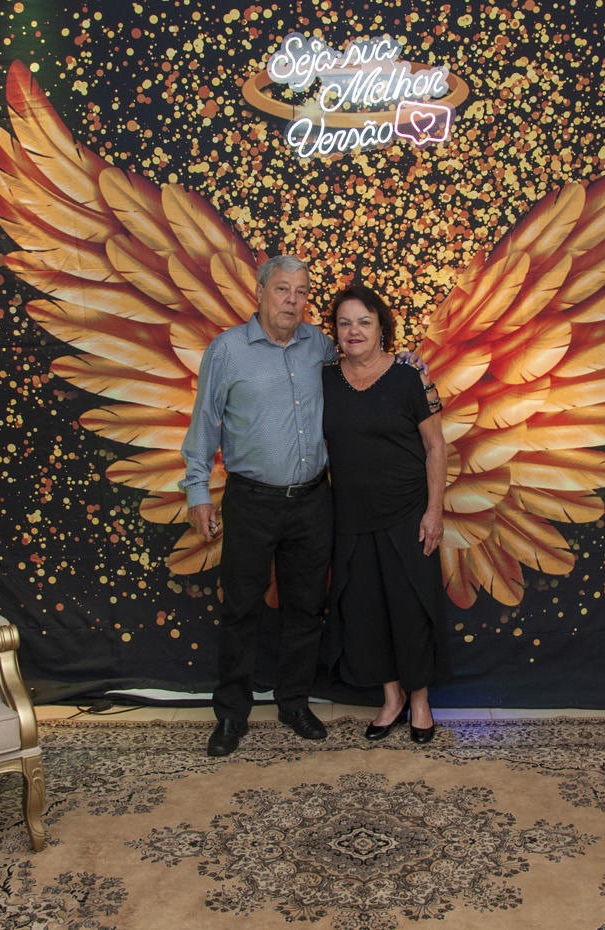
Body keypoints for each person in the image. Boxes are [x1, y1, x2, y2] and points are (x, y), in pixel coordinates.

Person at [181, 254, 335, 757]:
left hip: (312, 499)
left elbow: (363, 376)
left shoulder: (320, 346)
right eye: (283, 289)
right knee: (240, 609)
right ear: (261, 292)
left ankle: (294, 702)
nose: (292, 300)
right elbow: (204, 423)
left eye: (301, 292)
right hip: (251, 501)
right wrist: (198, 492)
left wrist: (408, 366)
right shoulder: (227, 350)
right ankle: (231, 714)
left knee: (306, 608)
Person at [321, 283, 450, 743]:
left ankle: (420, 701)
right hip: (350, 519)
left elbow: (436, 446)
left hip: (407, 515)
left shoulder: (410, 377)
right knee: (366, 613)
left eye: (364, 321)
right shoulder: (323, 380)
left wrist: (434, 512)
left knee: (411, 610)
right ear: (335, 331)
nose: (354, 331)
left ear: (382, 328)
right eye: (345, 323)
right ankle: (391, 699)